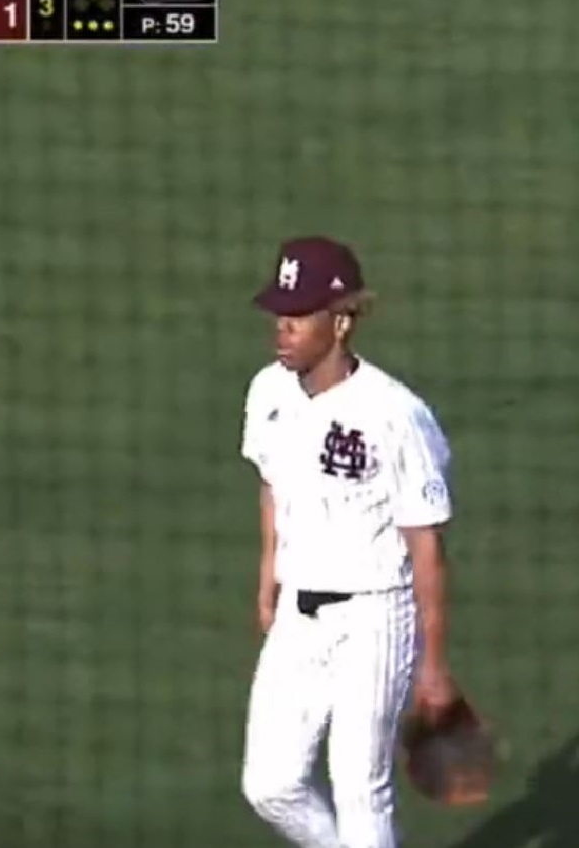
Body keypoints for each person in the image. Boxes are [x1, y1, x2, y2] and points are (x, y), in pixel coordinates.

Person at [238, 236, 463, 848]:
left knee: (360, 787)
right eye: (279, 313)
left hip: (375, 615)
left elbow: (426, 545)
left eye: (298, 315)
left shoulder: (394, 414)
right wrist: (269, 581)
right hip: (297, 615)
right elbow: (271, 486)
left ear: (340, 322)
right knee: (269, 784)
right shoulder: (268, 393)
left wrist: (433, 663)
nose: (282, 328)